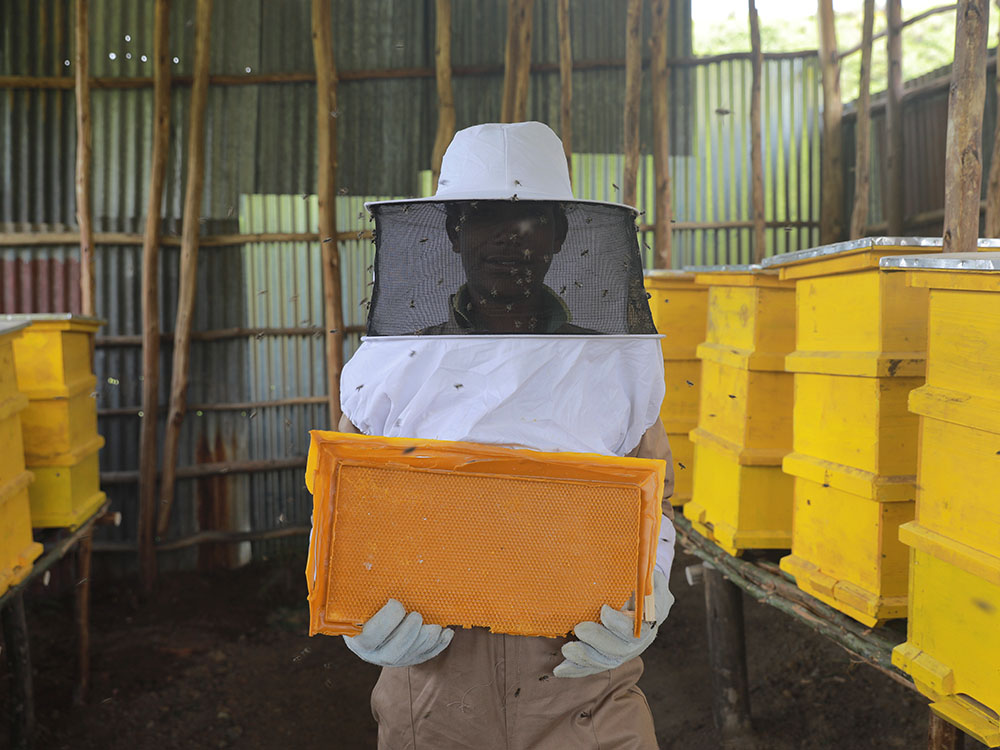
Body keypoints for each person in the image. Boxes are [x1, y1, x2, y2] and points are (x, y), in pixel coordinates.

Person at [335, 121, 676, 749]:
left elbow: (654, 502)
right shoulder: (393, 369)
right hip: (432, 694)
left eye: (529, 219)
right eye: (483, 216)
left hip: (585, 690)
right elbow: (346, 508)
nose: (507, 237)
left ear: (559, 234)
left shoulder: (613, 368)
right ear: (452, 230)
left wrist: (647, 595)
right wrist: (357, 605)